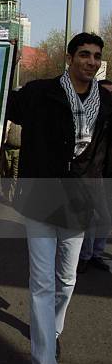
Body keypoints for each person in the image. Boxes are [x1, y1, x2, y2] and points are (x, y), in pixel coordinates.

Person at [8, 32, 112, 364]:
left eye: (96, 56)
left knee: (67, 279)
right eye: (84, 54)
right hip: (41, 199)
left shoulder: (107, 102)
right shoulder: (40, 93)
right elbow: (5, 103)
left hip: (80, 203)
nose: (91, 61)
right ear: (69, 59)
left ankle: (51, 333)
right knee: (41, 283)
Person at [77, 78, 112, 274]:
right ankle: (85, 256)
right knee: (92, 218)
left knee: (106, 218)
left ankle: (95, 254)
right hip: (93, 175)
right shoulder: (89, 119)